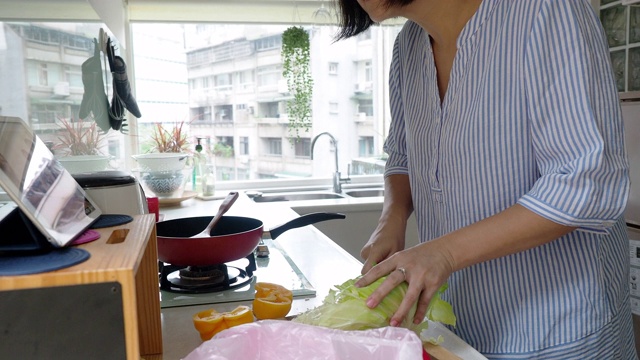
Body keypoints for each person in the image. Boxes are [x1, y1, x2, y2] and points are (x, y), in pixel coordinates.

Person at [333, 0, 637, 358]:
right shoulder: (408, 46)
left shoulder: (545, 11)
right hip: (459, 328)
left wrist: (443, 253)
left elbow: (586, 182)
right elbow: (402, 153)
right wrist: (392, 219)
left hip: (558, 332)